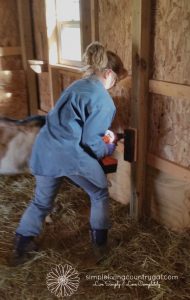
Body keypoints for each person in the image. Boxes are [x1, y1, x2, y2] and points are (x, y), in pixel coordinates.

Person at [13, 42, 127, 263]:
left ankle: (20, 249)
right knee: (99, 194)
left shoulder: (77, 85)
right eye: (116, 80)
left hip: (44, 148)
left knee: (40, 202)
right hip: (68, 153)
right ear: (109, 73)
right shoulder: (104, 101)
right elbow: (90, 141)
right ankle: (100, 248)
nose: (114, 85)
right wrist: (109, 145)